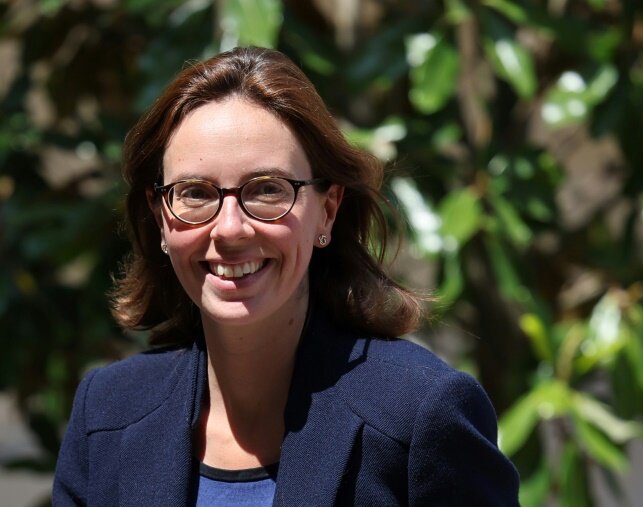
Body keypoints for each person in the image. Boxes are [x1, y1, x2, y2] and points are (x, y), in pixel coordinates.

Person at [52, 46, 520, 506]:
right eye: (195, 192)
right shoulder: (107, 412)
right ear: (160, 218)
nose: (230, 228)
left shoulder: (421, 415)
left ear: (327, 212)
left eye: (268, 190)